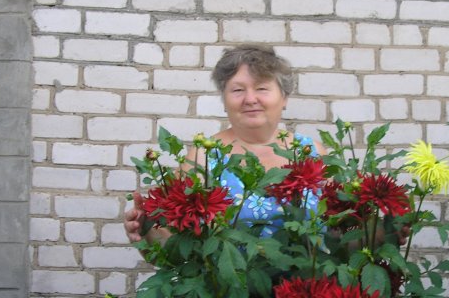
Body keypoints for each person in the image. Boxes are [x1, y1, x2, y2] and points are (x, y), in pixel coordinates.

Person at [124, 44, 327, 246]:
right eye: (238, 90)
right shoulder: (204, 156)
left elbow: (337, 236)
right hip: (230, 269)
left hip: (307, 268)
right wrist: (146, 231)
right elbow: (176, 248)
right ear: (224, 100)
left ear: (284, 97)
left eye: (262, 88)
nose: (250, 99)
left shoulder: (312, 153)